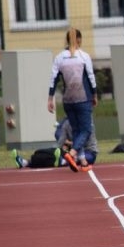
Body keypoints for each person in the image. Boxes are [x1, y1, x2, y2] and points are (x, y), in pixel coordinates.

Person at [47, 27, 98, 173]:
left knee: (76, 130)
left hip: (68, 100)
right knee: (86, 130)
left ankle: (82, 161)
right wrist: (94, 94)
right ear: (79, 40)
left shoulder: (59, 57)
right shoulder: (84, 56)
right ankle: (73, 153)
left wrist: (50, 98)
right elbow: (90, 76)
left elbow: (53, 79)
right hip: (83, 98)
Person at [13, 118, 98, 170]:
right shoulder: (66, 123)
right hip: (71, 151)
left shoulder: (87, 122)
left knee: (69, 158)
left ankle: (63, 161)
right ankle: (25, 162)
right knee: (46, 153)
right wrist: (53, 151)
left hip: (89, 152)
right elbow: (60, 143)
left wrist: (69, 144)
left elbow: (84, 141)